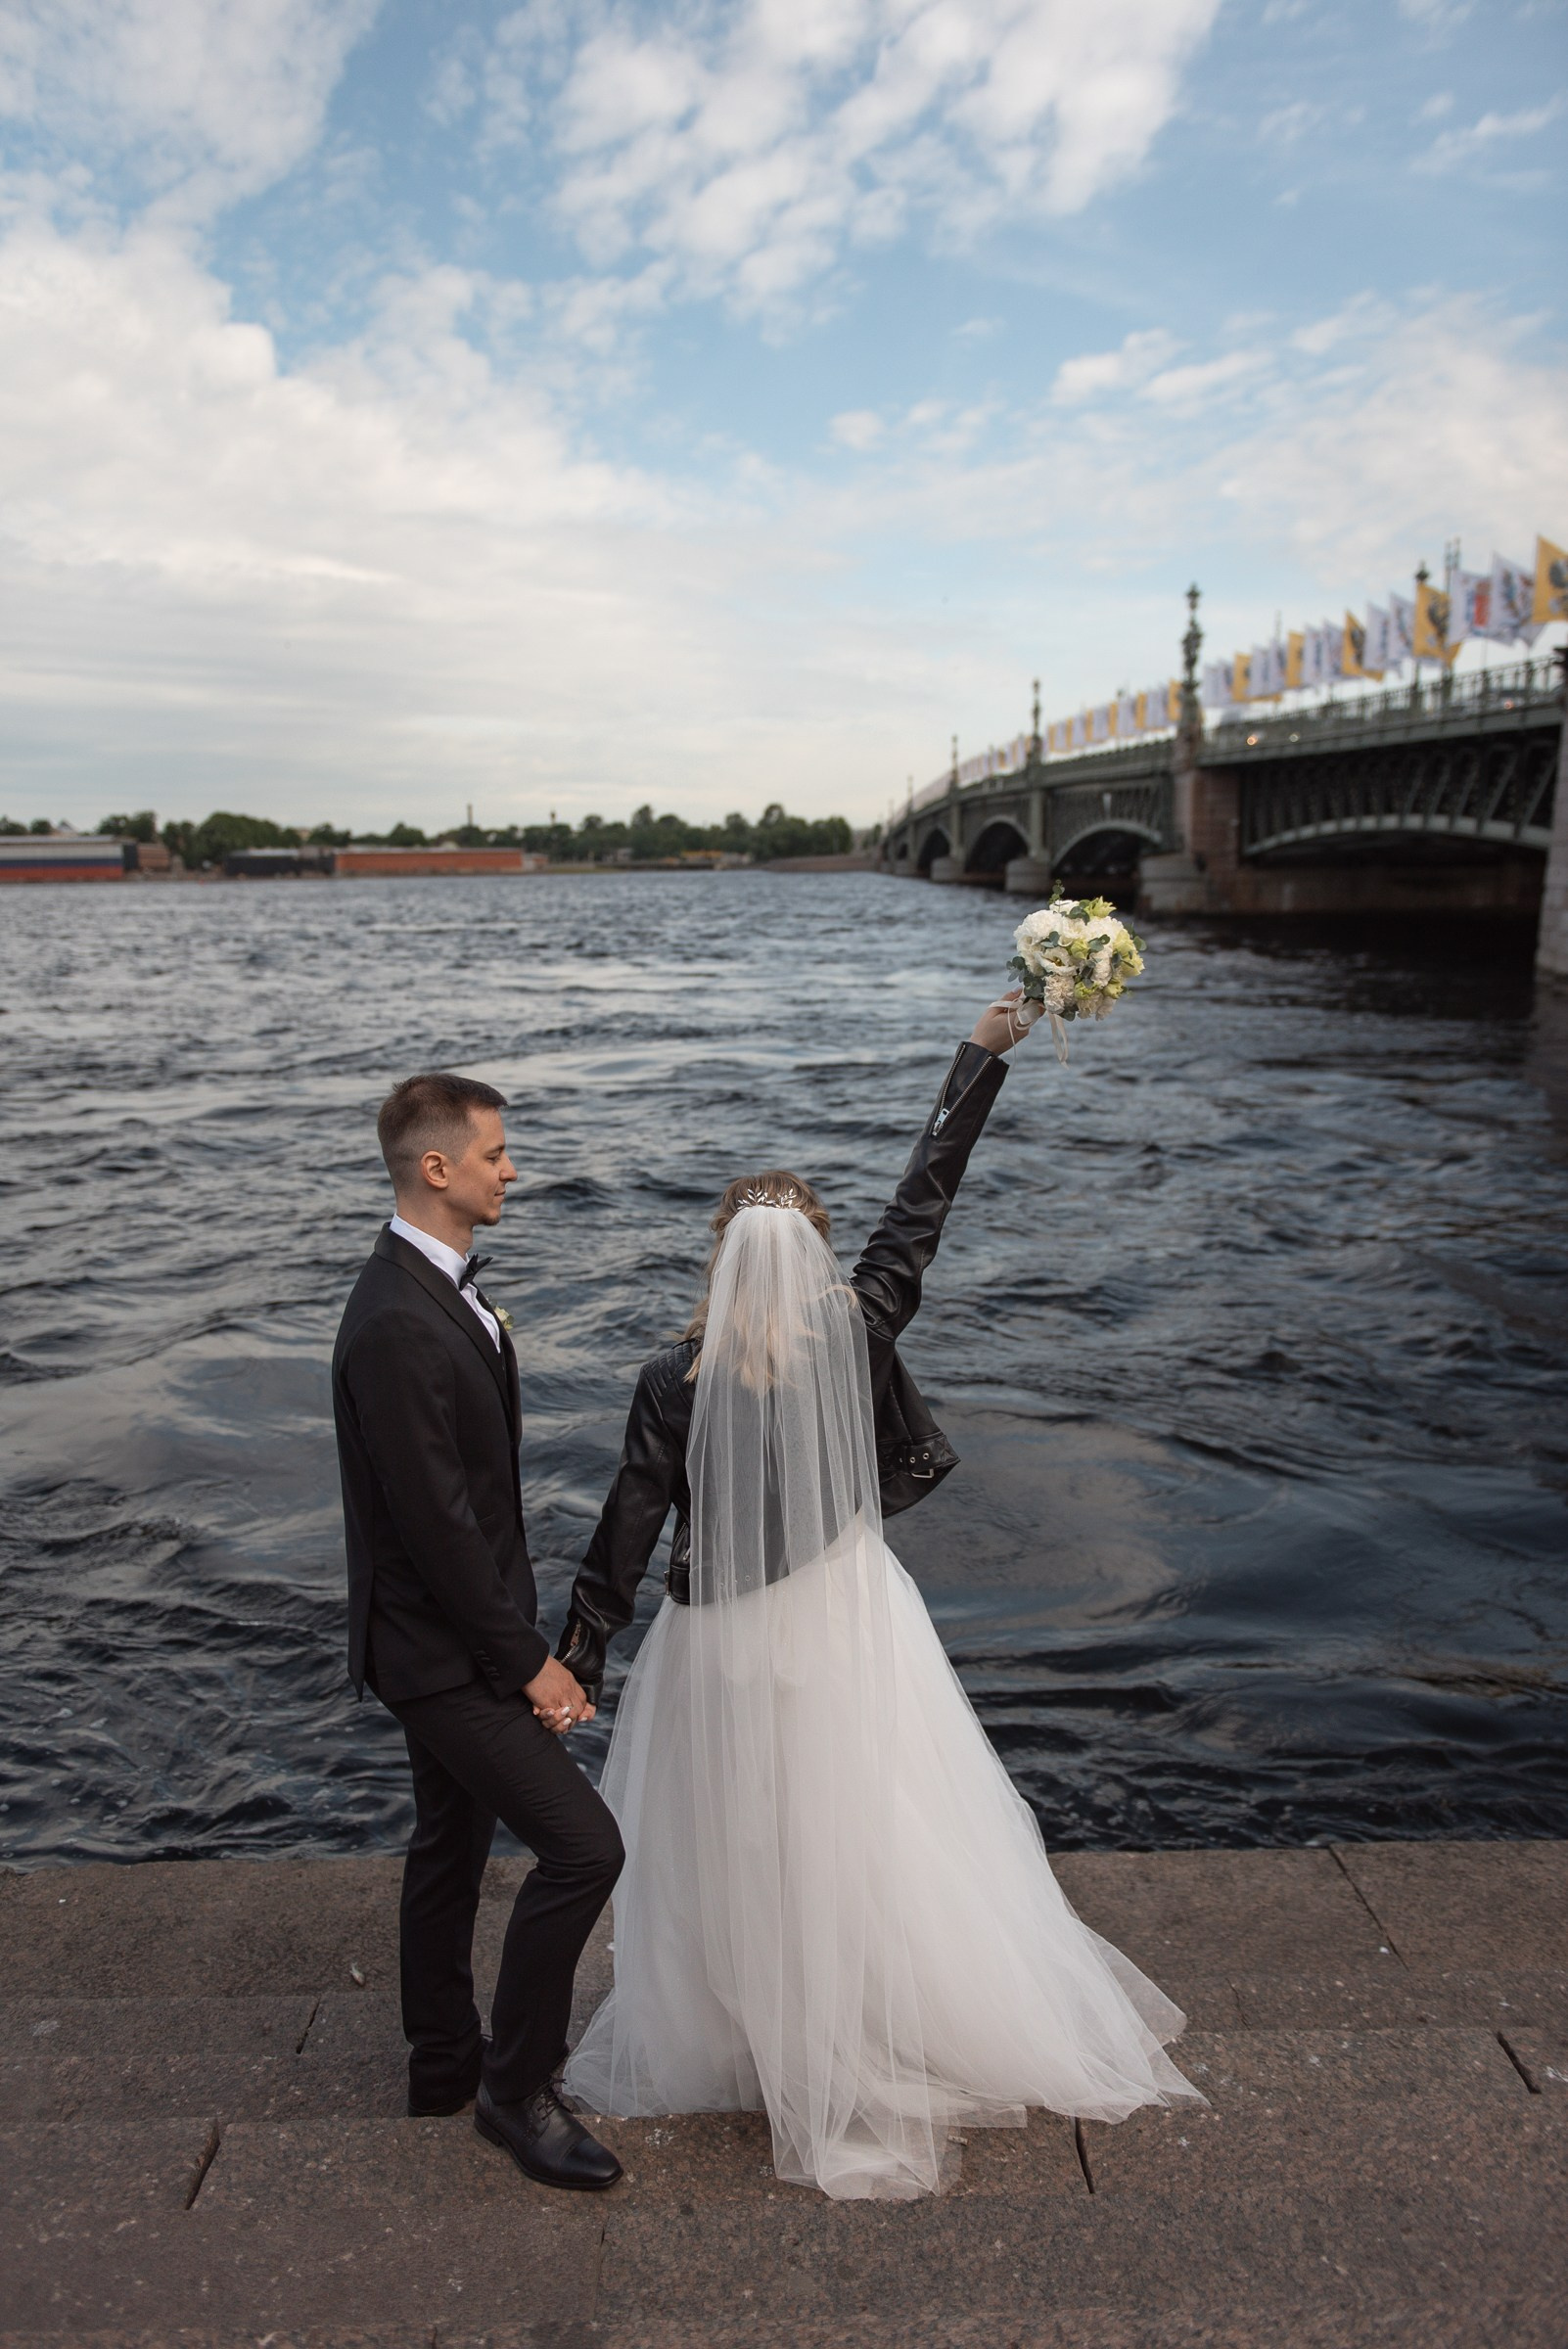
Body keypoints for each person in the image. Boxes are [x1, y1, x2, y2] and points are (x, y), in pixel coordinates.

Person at [555, 994, 1201, 2200]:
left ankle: (749, 2034)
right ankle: (861, 2022)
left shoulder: (670, 1378)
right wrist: (981, 1057)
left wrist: (576, 1660)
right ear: (819, 1255)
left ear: (717, 1259)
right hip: (846, 1624)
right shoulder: (857, 1335)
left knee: (739, 1838)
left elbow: (625, 1532)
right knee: (864, 1827)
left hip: (719, 1641)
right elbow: (923, 1206)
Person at [331, 1071, 623, 2191]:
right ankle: (514, 2088)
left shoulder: (434, 1291)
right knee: (586, 1848)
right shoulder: (396, 1321)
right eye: (495, 1154)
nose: (512, 1170)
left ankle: (445, 2064)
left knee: (448, 1846)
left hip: (455, 1635)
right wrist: (530, 1664)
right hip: (440, 1652)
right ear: (436, 1166)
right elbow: (436, 1526)